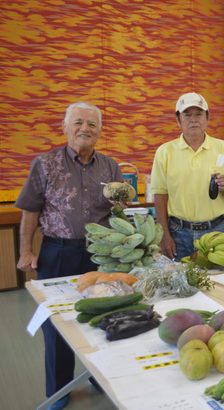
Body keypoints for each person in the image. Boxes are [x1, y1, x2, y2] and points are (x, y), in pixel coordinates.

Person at [15, 101, 123, 410]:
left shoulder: (110, 166)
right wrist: (26, 250)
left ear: (100, 131)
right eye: (78, 122)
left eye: (92, 124)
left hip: (101, 254)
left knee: (105, 317)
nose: (85, 129)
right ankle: (59, 390)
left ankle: (98, 376)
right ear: (65, 127)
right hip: (57, 253)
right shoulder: (45, 164)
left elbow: (117, 211)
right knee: (58, 323)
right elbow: (30, 210)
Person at [151, 92, 224, 260]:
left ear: (207, 118)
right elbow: (160, 196)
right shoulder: (165, 152)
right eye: (187, 115)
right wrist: (164, 235)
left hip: (217, 231)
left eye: (199, 114)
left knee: (219, 282)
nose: (193, 119)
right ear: (178, 120)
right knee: (180, 283)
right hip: (178, 233)